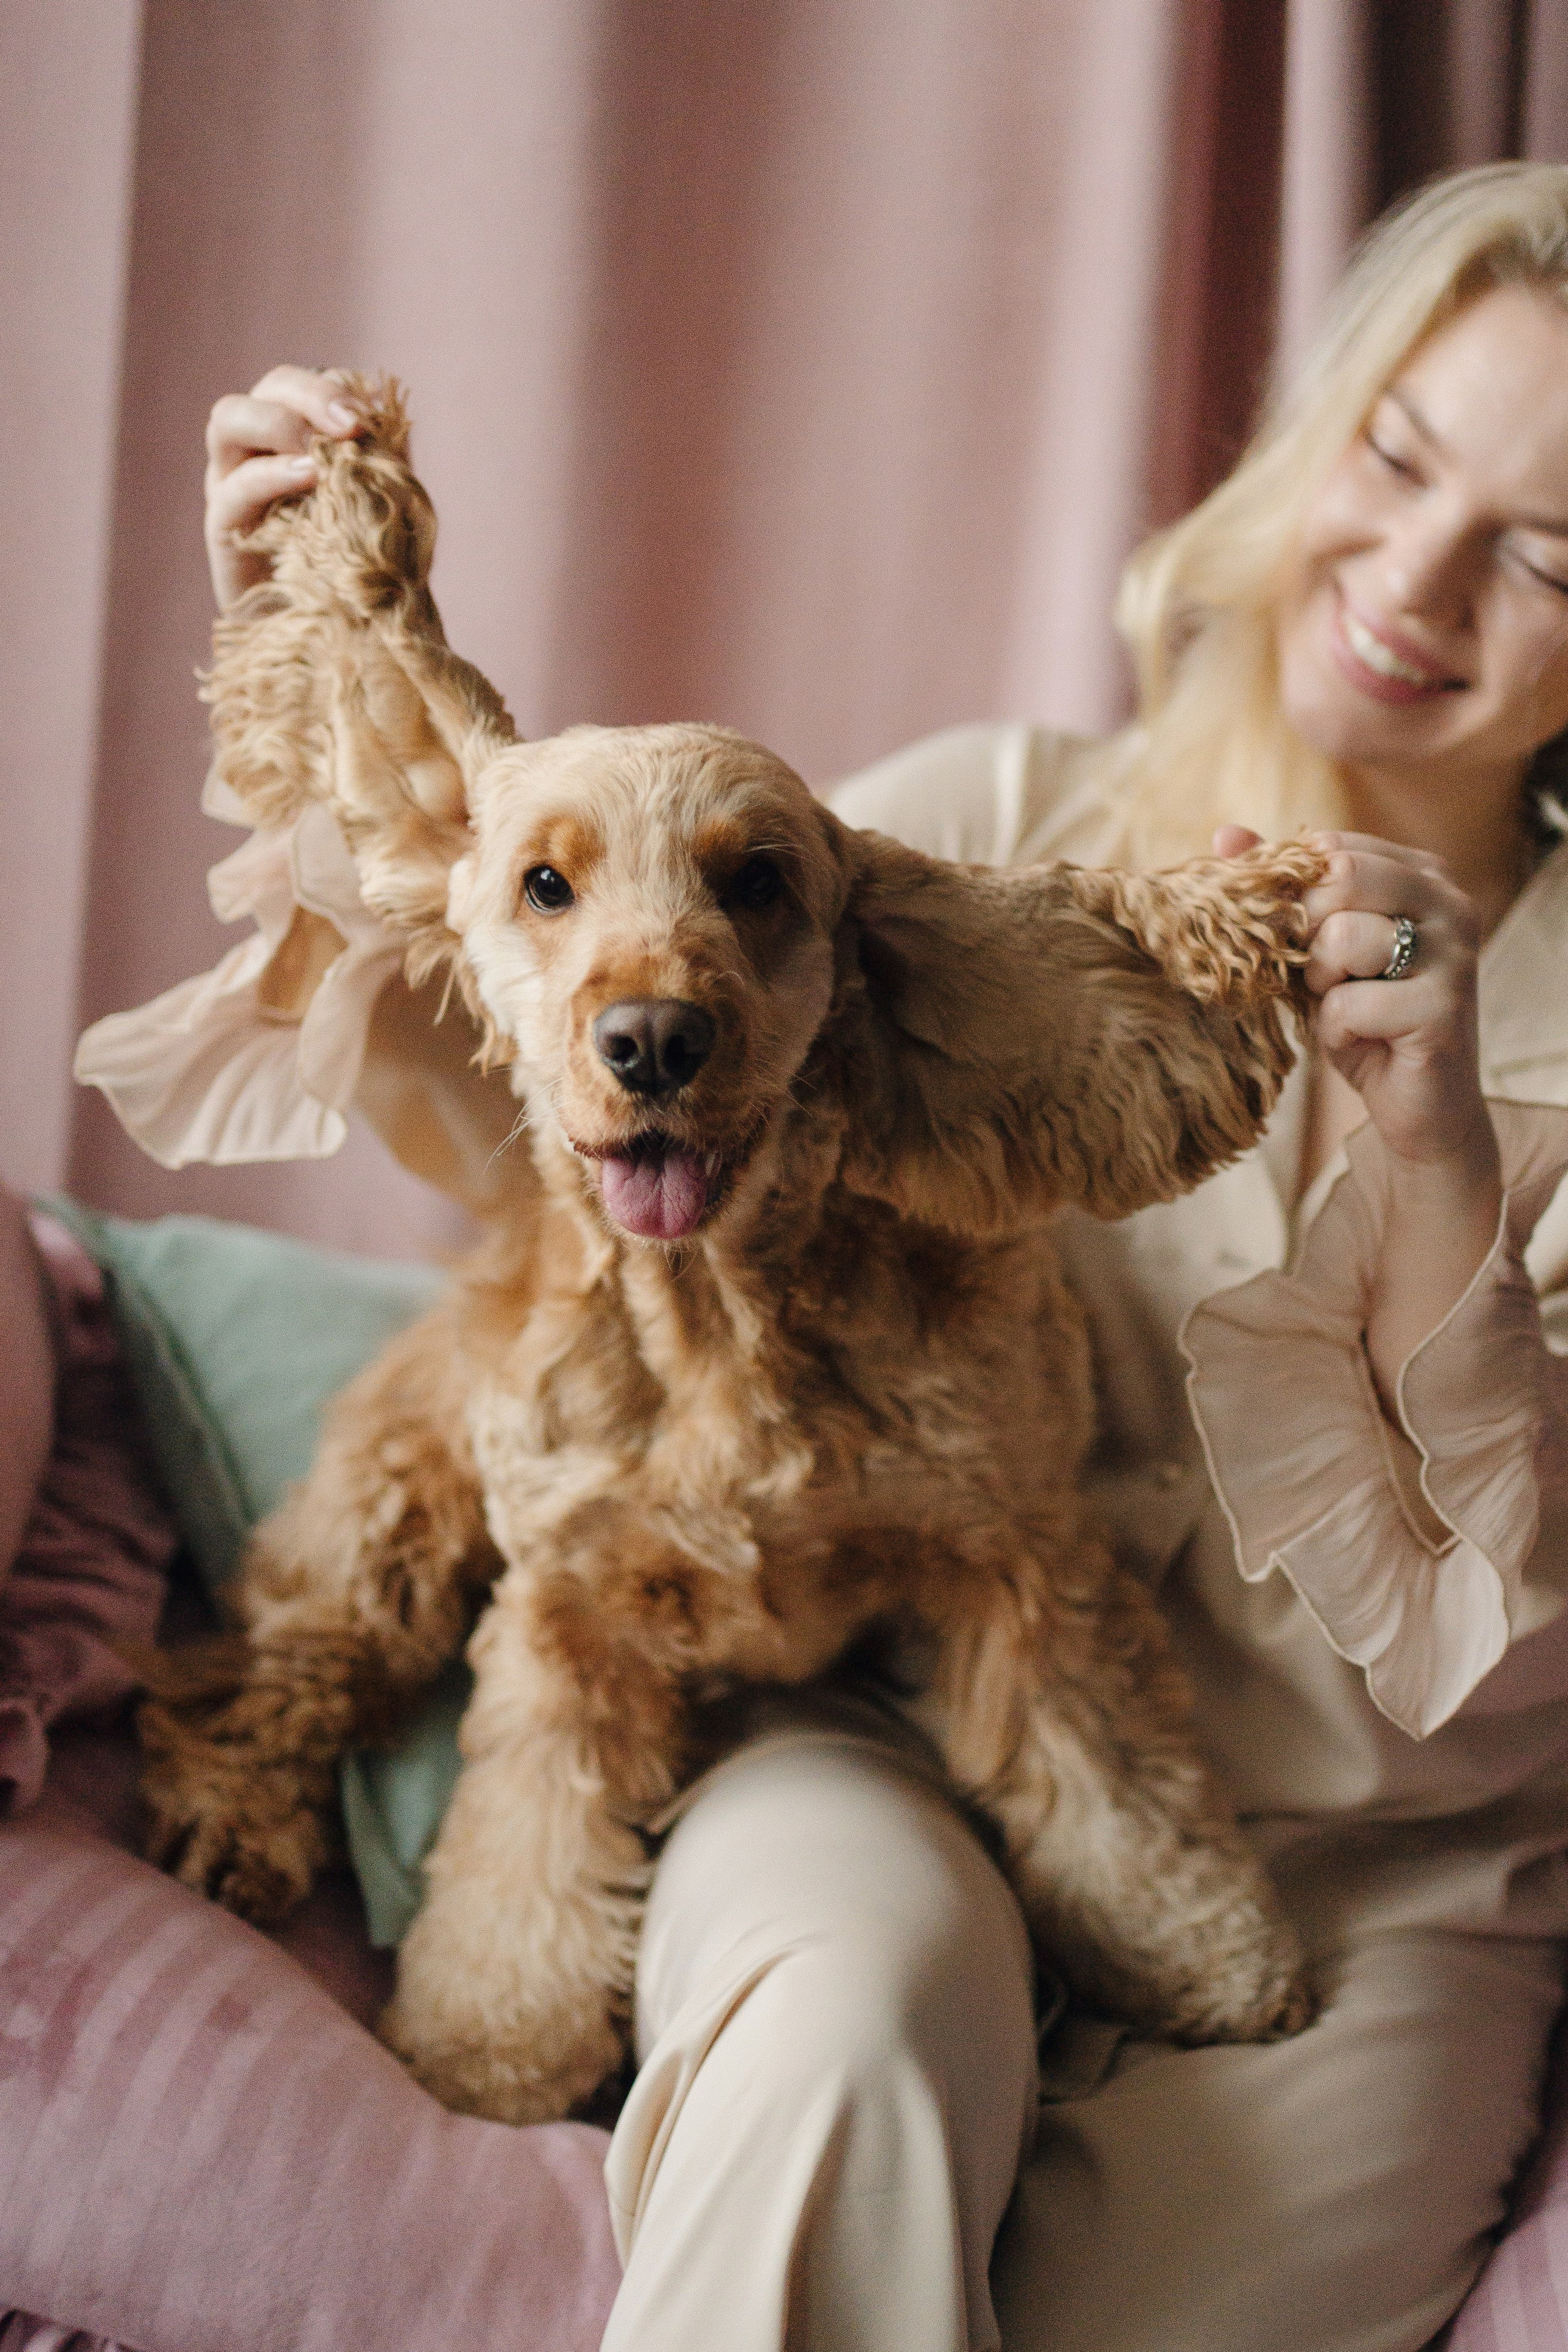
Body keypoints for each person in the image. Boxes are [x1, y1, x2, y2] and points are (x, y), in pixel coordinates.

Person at [93, 162, 1568, 2350]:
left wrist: (1440, 1142)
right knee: (838, 2030)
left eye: (1547, 550)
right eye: (1399, 456)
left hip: (1378, 1879)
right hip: (856, 1724)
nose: (1420, 577)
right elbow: (545, 1053)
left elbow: (1526, 1645)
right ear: (1312, 439)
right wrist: (313, 678)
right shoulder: (972, 826)